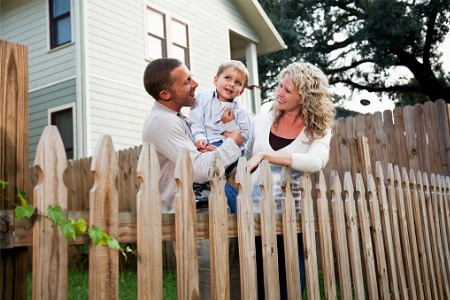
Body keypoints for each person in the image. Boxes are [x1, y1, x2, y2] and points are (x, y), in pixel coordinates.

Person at [142, 58, 242, 299]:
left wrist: (214, 151)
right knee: (209, 291)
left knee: (234, 289)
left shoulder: (179, 119)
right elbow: (197, 170)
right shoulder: (163, 122)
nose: (195, 83)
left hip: (213, 213)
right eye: (186, 81)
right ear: (166, 94)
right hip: (195, 222)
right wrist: (231, 144)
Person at [245, 62, 336, 299]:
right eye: (279, 86)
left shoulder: (318, 129)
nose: (279, 93)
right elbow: (247, 156)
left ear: (304, 98)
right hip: (254, 216)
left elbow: (316, 161)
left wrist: (268, 156)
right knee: (257, 287)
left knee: (290, 287)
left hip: (292, 218)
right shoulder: (262, 121)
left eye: (286, 90)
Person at [189, 60, 252, 213]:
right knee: (204, 174)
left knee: (214, 178)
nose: (231, 84)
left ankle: (236, 208)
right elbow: (195, 122)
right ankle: (202, 192)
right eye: (227, 78)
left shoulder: (240, 111)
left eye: (238, 83)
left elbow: (244, 137)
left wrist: (228, 125)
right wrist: (199, 139)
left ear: (241, 91)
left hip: (227, 149)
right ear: (216, 80)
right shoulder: (202, 98)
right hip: (203, 145)